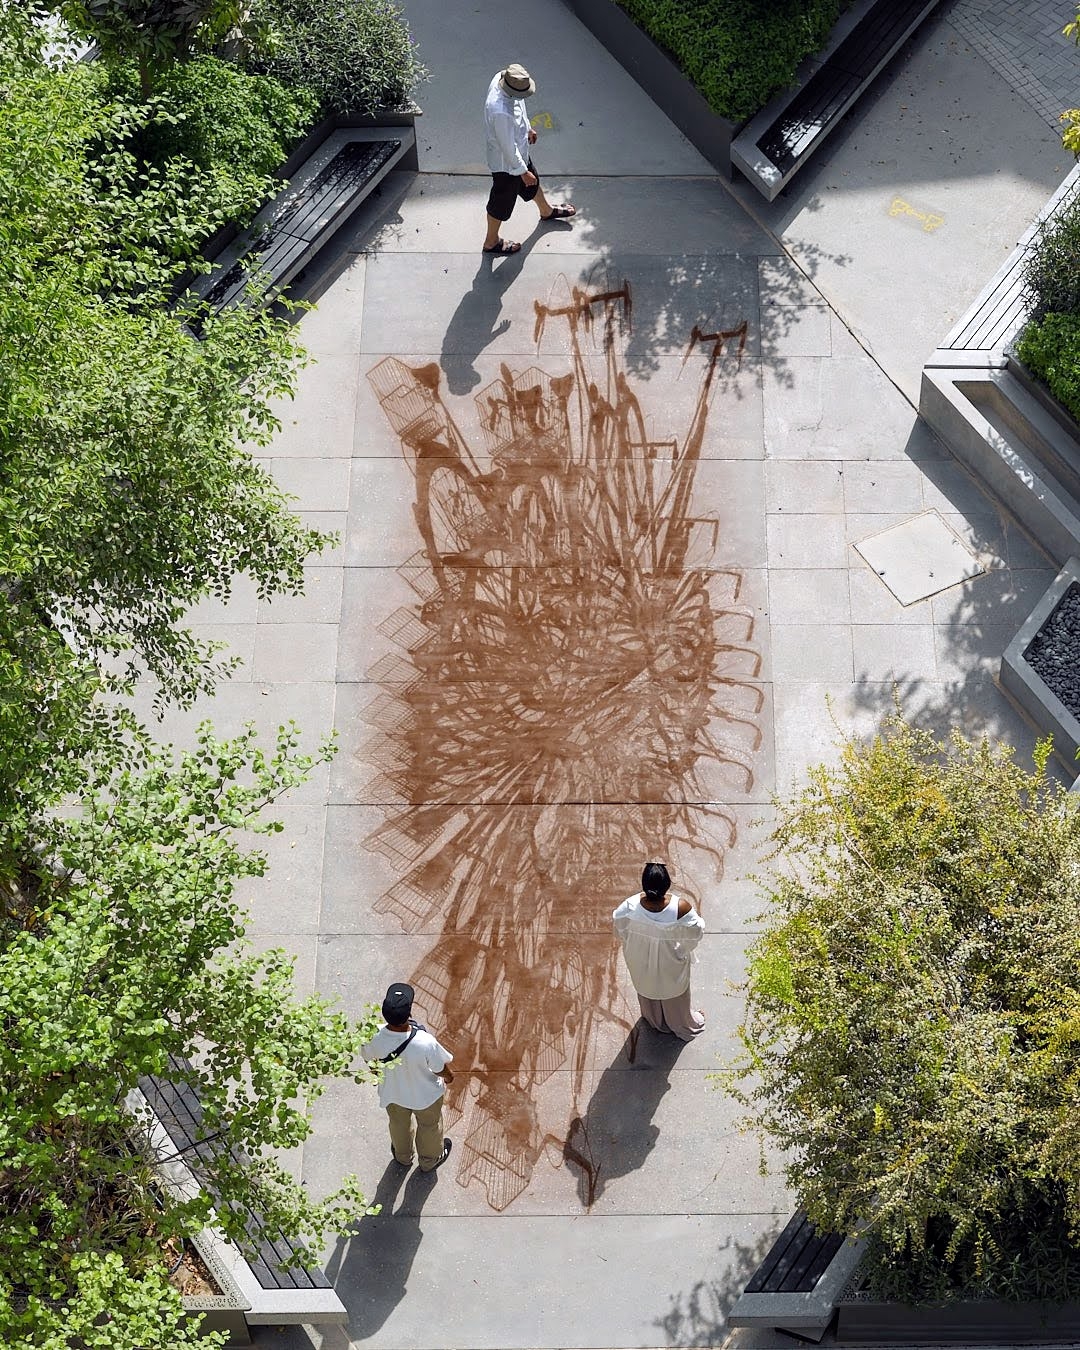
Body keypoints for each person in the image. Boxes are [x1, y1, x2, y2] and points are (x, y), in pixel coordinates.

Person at [483, 62, 576, 255]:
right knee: (500, 203)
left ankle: (546, 211)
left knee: (533, 182)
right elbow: (507, 148)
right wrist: (522, 172)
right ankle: (491, 242)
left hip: (519, 155)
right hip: (507, 166)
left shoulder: (503, 78)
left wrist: (527, 128)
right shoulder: (500, 111)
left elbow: (519, 104)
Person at [363, 982, 455, 1171]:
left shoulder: (371, 1034)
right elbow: (440, 1068)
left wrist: (378, 1075)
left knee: (399, 1125)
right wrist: (449, 1077)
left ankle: (402, 1156)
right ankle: (429, 1161)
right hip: (426, 1096)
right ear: (409, 1013)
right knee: (429, 1127)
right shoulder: (424, 1041)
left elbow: (370, 1061)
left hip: (393, 1094)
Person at [612, 862, 706, 1040]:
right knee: (674, 991)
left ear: (644, 884)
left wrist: (633, 944)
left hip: (639, 957)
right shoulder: (680, 907)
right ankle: (681, 1023)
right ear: (667, 885)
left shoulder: (630, 906)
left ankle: (654, 1020)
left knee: (647, 986)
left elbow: (619, 927)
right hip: (669, 960)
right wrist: (682, 949)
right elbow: (696, 932)